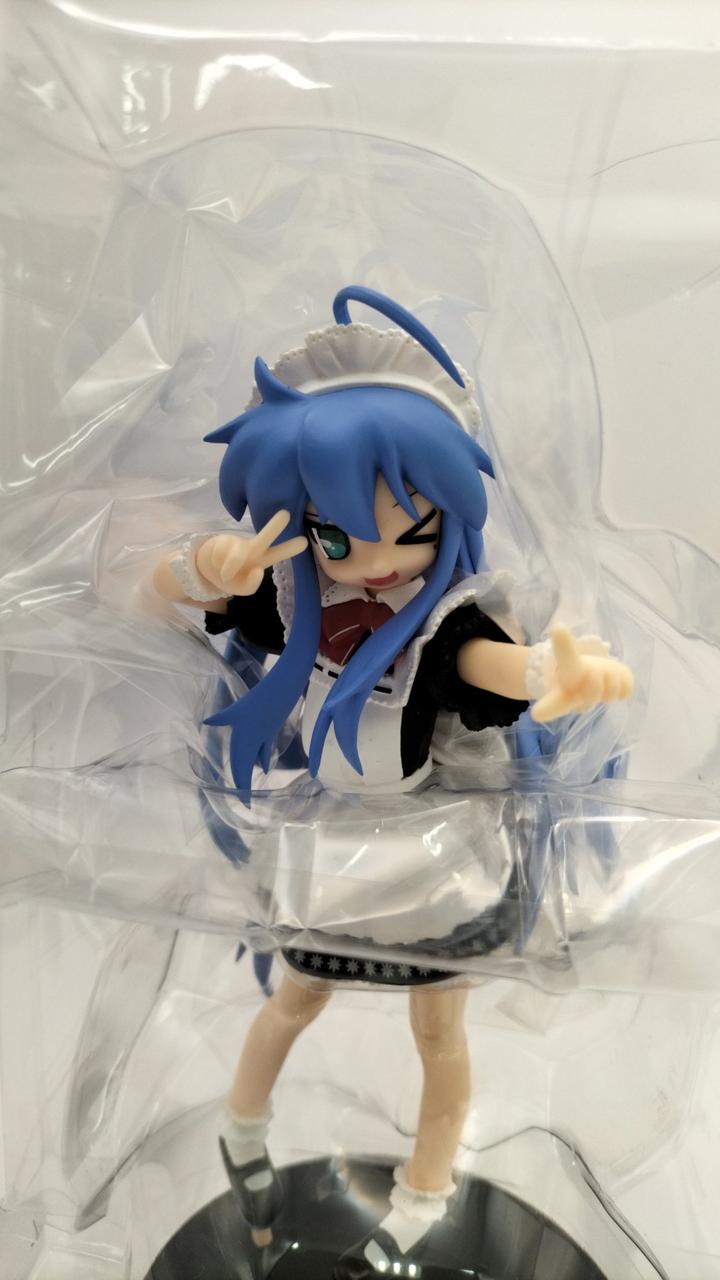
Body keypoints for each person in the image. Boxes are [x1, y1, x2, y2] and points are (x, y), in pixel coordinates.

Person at [154, 287, 632, 1277]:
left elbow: (486, 666)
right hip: (332, 852)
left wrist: (550, 674)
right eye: (338, 538)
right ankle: (243, 1131)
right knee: (293, 1002)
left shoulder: (446, 622)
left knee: (438, 1030)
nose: (374, 563)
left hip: (432, 860)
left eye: (407, 533)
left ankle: (423, 1193)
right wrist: (213, 561)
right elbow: (168, 588)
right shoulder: (291, 606)